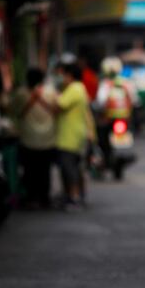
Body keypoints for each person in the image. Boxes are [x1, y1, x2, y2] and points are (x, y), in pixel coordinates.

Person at [39, 63, 94, 210]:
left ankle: (74, 197)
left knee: (69, 169)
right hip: (73, 135)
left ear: (69, 75)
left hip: (69, 136)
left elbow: (59, 105)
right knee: (73, 168)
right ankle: (74, 196)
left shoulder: (75, 88)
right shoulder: (79, 88)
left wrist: (45, 97)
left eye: (63, 75)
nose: (62, 78)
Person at [11, 68, 57, 208]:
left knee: (29, 170)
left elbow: (14, 110)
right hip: (48, 139)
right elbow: (57, 109)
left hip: (28, 139)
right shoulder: (50, 92)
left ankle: (31, 197)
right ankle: (44, 198)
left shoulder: (20, 93)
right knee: (45, 170)